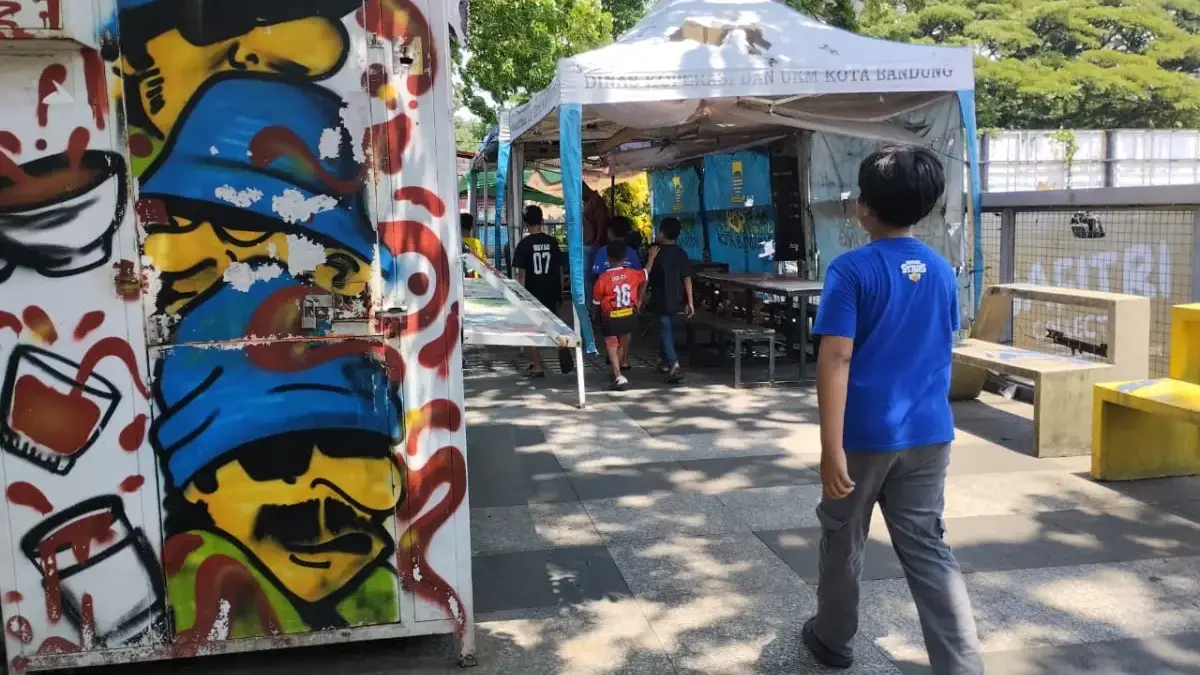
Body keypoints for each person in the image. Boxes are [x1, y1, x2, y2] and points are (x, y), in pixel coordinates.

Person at [804, 145, 983, 674]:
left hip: (862, 437)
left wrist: (829, 447)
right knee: (929, 551)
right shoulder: (943, 271)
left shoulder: (851, 270)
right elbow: (938, 345)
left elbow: (836, 357)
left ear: (864, 207)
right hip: (929, 432)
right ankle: (962, 666)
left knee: (842, 539)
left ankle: (833, 640)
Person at [513, 205, 569, 378]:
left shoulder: (523, 245)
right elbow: (560, 270)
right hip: (551, 290)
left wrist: (519, 296)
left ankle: (537, 366)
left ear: (525, 224)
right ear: (542, 221)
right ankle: (562, 345)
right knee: (553, 323)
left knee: (533, 329)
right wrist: (560, 291)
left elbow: (520, 274)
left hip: (532, 292)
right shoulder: (552, 243)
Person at [642, 217, 694, 384]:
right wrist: (690, 301)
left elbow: (646, 276)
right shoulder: (681, 253)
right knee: (668, 328)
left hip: (660, 298)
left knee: (665, 329)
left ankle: (673, 364)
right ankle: (665, 362)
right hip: (676, 298)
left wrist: (640, 296)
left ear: (662, 233)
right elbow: (687, 278)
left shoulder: (654, 251)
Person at [593, 240, 645, 391]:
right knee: (623, 341)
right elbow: (646, 274)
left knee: (611, 343)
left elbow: (596, 302)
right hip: (629, 314)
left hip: (611, 316)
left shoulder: (602, 279)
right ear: (625, 257)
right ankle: (620, 368)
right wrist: (652, 258)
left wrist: (595, 316)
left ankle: (617, 375)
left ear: (608, 259)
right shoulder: (633, 274)